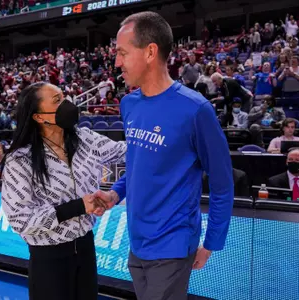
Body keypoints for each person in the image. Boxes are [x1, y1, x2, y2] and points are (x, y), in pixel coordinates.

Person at [93, 12, 234, 300]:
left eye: (122, 53)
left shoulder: (195, 109)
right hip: (137, 242)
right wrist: (114, 195)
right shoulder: (129, 104)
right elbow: (137, 165)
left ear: (150, 52)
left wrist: (211, 242)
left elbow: (222, 183)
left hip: (172, 244)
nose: (116, 62)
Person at [0, 82, 126, 300]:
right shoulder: (20, 160)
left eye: (64, 96)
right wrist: (76, 207)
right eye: (57, 100)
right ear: (39, 117)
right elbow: (21, 220)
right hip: (49, 257)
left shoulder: (85, 138)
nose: (67, 104)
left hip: (85, 246)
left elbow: (126, 153)